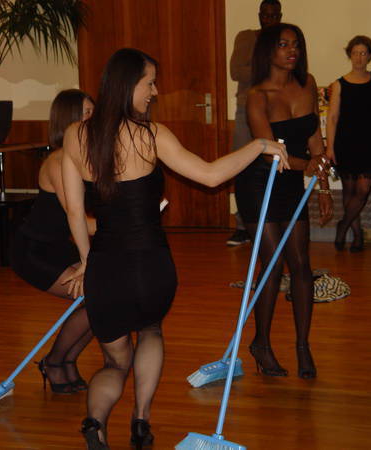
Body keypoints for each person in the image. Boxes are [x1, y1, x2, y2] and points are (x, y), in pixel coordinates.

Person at [61, 48, 288, 450]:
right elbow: (211, 176)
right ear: (129, 84)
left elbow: (75, 212)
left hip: (105, 269)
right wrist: (258, 145)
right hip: (151, 265)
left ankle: (95, 423)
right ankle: (141, 422)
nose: (155, 91)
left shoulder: (75, 136)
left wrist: (84, 261)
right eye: (149, 83)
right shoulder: (151, 135)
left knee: (115, 362)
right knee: (150, 330)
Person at [236, 23, 332, 379]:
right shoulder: (257, 95)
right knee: (274, 264)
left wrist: (323, 187)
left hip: (291, 183)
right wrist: (311, 167)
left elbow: (315, 140)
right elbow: (270, 154)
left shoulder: (308, 84)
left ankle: (303, 346)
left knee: (302, 264)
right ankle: (261, 343)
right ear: (268, 51)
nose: (292, 51)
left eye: (296, 45)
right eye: (283, 44)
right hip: (259, 183)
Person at [10, 89, 95, 394]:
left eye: (93, 113)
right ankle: (55, 362)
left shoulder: (84, 157)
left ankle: (66, 361)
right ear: (69, 120)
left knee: (104, 298)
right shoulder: (59, 161)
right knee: (99, 297)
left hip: (59, 246)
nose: (93, 120)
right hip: (34, 251)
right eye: (86, 114)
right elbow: (80, 219)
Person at [227, 0, 282, 246]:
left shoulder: (285, 39)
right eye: (265, 15)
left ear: (280, 16)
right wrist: (270, 66)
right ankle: (243, 226)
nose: (269, 20)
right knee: (241, 167)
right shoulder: (246, 37)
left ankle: (272, 222)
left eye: (273, 15)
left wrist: (260, 68)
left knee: (274, 167)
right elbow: (236, 72)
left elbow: (288, 72)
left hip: (276, 110)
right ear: (259, 15)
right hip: (245, 110)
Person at [326, 35, 371, 252]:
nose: (359, 57)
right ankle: (357, 235)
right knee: (348, 191)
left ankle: (343, 225)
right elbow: (332, 118)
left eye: (363, 53)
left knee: (363, 190)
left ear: (370, 56)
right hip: (346, 143)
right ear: (349, 55)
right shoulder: (339, 84)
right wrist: (330, 147)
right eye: (355, 53)